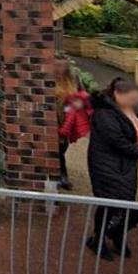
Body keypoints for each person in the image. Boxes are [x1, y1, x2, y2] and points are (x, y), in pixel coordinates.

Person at [86, 77, 138, 260]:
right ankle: (99, 239)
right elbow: (118, 142)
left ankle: (116, 231)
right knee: (111, 202)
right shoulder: (104, 113)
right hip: (109, 165)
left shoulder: (131, 110)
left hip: (133, 164)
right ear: (117, 94)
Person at [52, 54, 81, 190]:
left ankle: (61, 174)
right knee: (57, 149)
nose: (60, 68)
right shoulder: (49, 79)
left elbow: (81, 95)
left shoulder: (73, 78)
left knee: (62, 147)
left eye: (63, 65)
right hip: (55, 119)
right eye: (57, 65)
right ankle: (61, 175)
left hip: (69, 119)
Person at [57, 90, 93, 177]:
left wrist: (56, 132)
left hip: (62, 137)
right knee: (61, 155)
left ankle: (63, 177)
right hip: (70, 136)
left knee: (59, 155)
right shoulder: (80, 106)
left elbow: (65, 129)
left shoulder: (70, 107)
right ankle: (63, 176)